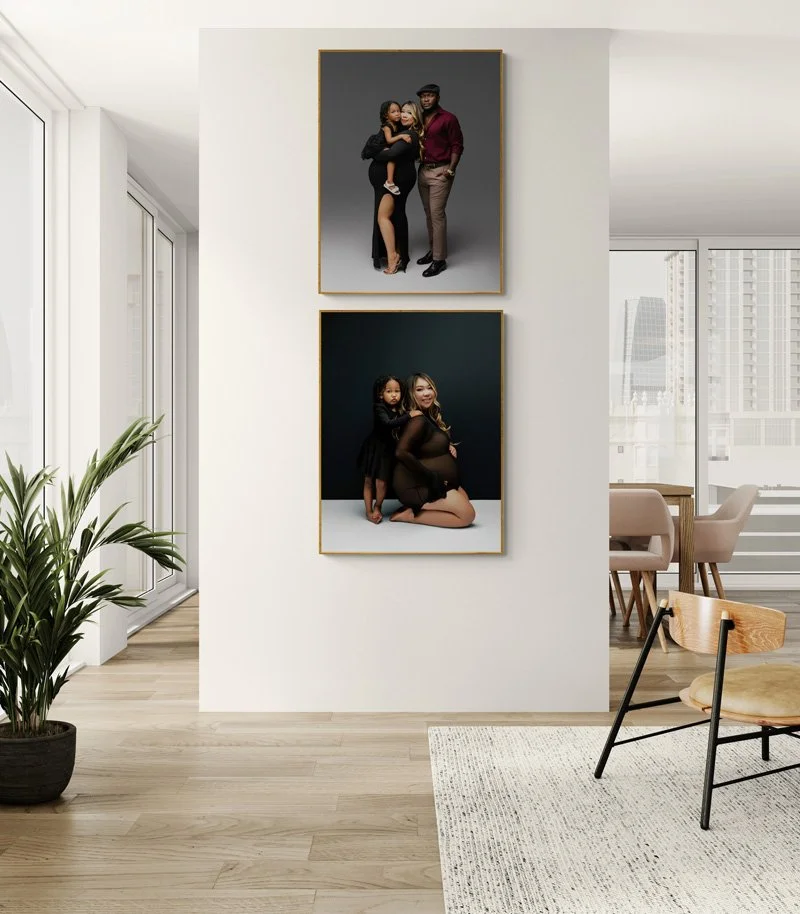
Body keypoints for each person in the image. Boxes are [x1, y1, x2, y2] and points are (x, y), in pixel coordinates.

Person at [391, 372, 476, 528]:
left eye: (429, 388)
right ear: (410, 394)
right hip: (416, 485)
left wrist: (446, 445)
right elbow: (401, 452)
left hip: (435, 481)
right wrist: (432, 478)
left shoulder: (427, 416)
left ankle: (418, 507)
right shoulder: (417, 420)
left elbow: (426, 444)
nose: (427, 393)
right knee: (467, 516)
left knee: (465, 502)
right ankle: (410, 515)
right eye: (420, 389)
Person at [365, 101, 422, 274]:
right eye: (401, 111)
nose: (403, 115)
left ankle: (393, 257)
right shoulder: (399, 131)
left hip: (395, 182)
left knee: (383, 217)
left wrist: (374, 151)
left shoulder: (409, 134)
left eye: (408, 113)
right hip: (392, 182)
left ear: (415, 118)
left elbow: (391, 153)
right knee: (395, 215)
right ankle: (398, 253)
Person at [415, 84, 464, 278]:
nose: (426, 99)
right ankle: (433, 251)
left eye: (430, 96)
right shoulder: (420, 117)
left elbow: (457, 144)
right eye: (423, 96)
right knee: (429, 214)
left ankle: (439, 260)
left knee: (437, 215)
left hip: (441, 171)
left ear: (438, 97)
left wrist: (451, 169)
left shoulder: (448, 118)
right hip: (423, 171)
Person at [357, 375, 410, 523]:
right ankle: (368, 511)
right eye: (389, 391)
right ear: (381, 394)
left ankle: (378, 506)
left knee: (382, 482)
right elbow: (387, 423)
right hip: (374, 448)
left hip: (388, 450)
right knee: (368, 480)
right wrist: (409, 416)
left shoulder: (401, 409)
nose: (394, 395)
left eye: (397, 391)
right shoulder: (379, 407)